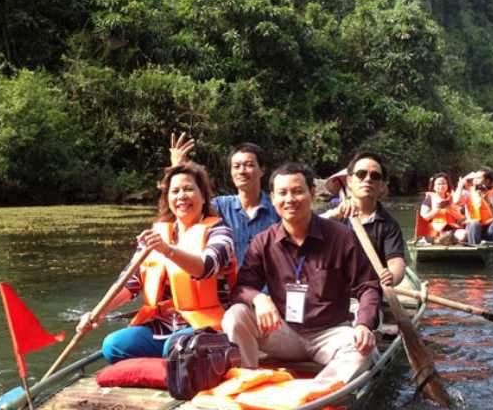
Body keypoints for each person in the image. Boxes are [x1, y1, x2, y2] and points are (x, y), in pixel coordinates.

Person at [221, 163, 381, 383]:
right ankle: (248, 378)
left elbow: (368, 286)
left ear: (312, 193)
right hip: (283, 332)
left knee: (363, 351)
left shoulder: (342, 237)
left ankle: (315, 394)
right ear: (273, 198)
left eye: (298, 191)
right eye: (283, 193)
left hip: (330, 333)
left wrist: (364, 324)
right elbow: (241, 288)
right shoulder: (264, 242)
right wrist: (259, 298)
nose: (290, 199)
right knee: (235, 315)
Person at [77, 163, 235, 362]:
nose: (181, 196)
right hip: (163, 324)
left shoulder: (220, 232)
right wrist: (97, 313)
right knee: (113, 345)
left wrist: (168, 250)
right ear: (168, 199)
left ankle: (178, 362)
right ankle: (171, 363)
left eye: (188, 189)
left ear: (203, 197)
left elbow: (207, 266)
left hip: (206, 326)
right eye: (175, 191)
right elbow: (129, 283)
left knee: (176, 348)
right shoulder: (158, 235)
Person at [169, 133, 278, 266]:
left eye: (248, 165)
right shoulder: (219, 207)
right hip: (228, 286)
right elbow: (185, 210)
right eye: (236, 166)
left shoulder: (277, 209)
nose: (242, 171)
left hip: (267, 286)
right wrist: (177, 168)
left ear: (262, 170)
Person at [320, 152, 407, 287]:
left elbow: (396, 261)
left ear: (382, 185)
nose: (368, 179)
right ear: (349, 181)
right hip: (329, 287)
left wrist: (392, 276)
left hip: (367, 289)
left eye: (375, 176)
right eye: (361, 174)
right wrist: (335, 214)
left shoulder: (389, 225)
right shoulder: (331, 210)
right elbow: (302, 228)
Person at [456, 169, 493, 244]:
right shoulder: (468, 193)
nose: (475, 180)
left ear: (488, 181)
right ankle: (474, 250)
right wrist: (460, 186)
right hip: (473, 228)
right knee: (474, 223)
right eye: (475, 178)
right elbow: (456, 202)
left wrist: (486, 200)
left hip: (489, 229)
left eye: (478, 178)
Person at [418, 172, 465, 245]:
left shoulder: (452, 199)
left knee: (463, 234)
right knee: (442, 236)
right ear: (433, 186)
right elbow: (423, 218)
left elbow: (460, 218)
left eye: (444, 183)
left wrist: (449, 208)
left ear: (447, 185)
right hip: (434, 230)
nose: (441, 186)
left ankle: (447, 239)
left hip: (451, 228)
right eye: (438, 184)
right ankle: (441, 239)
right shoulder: (429, 200)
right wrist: (436, 210)